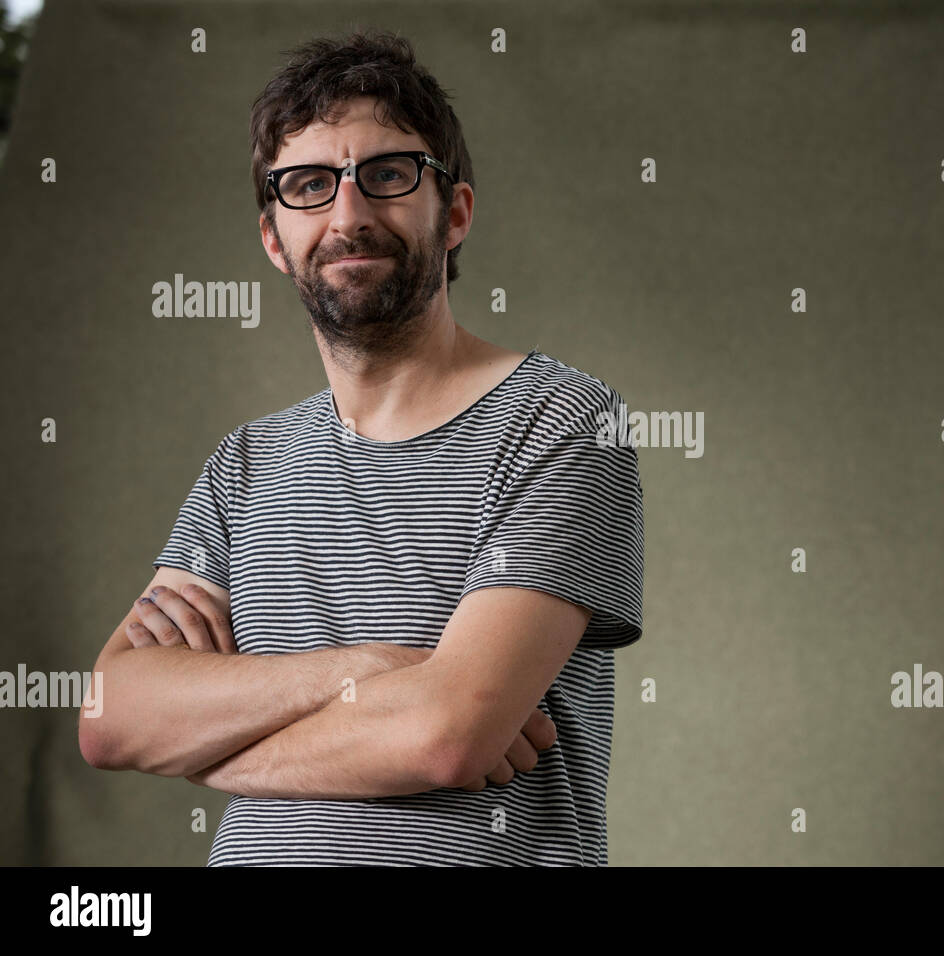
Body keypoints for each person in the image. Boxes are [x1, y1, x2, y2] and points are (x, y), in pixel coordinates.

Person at [78, 29, 644, 867]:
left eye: (386, 175)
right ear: (274, 238)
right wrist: (373, 668)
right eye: (309, 185)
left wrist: (208, 750)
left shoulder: (563, 421)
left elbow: (447, 737)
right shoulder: (245, 465)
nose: (348, 216)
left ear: (453, 214)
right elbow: (112, 714)